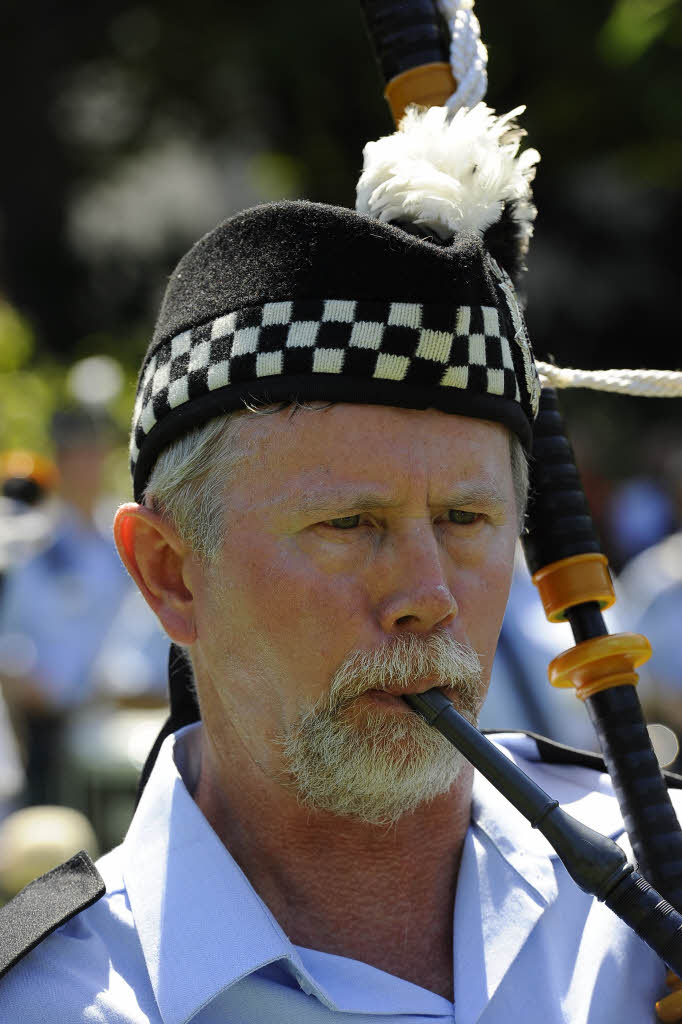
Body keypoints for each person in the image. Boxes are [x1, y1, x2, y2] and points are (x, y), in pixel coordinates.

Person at [0, 100, 677, 1024]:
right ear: (169, 572)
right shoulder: (51, 1002)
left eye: (467, 517)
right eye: (351, 523)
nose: (428, 597)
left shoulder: (652, 895)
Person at [0, 408, 129, 805]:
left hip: (118, 714)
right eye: (75, 455)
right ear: (59, 462)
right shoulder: (31, 543)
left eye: (93, 453)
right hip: (48, 725)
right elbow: (10, 637)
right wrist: (29, 681)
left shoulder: (125, 535)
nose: (86, 466)